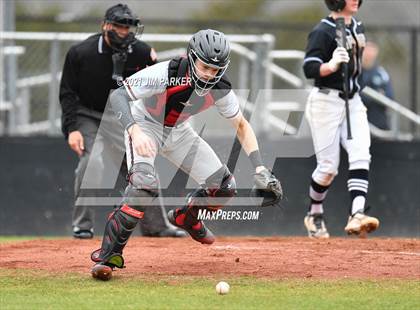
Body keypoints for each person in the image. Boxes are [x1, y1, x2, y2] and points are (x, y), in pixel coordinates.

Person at [89, 29, 283, 280]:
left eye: (216, 70)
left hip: (179, 131)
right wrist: (135, 131)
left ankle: (187, 217)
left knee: (224, 187)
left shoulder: (221, 89)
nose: (209, 75)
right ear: (191, 58)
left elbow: (242, 126)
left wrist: (259, 168)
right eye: (205, 67)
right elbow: (119, 95)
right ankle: (108, 257)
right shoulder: (166, 72)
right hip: (144, 124)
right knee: (143, 186)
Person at [59, 3, 186, 239]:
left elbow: (156, 89)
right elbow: (67, 93)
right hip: (88, 115)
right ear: (105, 26)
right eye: (118, 26)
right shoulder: (81, 52)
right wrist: (72, 129)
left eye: (129, 27)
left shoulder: (142, 52)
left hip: (123, 116)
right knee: (92, 162)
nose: (124, 32)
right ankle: (82, 226)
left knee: (142, 165)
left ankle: (156, 226)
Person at [302, 0, 379, 238]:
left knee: (361, 153)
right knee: (328, 169)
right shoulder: (322, 30)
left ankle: (356, 213)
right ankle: (314, 213)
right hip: (326, 101)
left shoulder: (358, 26)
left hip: (353, 100)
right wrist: (332, 64)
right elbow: (310, 68)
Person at [360, 41, 394, 130]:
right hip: (359, 123)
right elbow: (355, 96)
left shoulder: (381, 73)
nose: (369, 54)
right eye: (366, 50)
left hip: (379, 125)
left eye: (372, 51)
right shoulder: (354, 72)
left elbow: (389, 97)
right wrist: (376, 95)